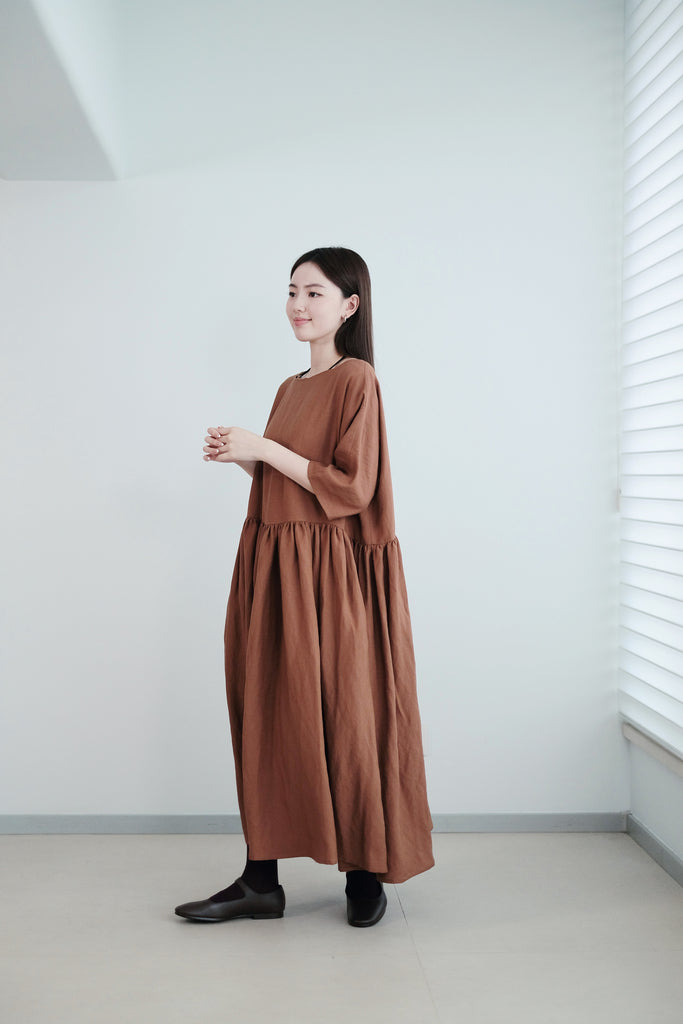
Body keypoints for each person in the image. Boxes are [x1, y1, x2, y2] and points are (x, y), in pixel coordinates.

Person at [175, 247, 433, 928]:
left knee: (344, 710)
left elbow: (350, 487)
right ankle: (260, 880)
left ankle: (363, 874)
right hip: (273, 565)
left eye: (314, 293)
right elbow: (294, 483)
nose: (297, 305)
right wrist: (246, 459)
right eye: (292, 290)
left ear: (349, 306)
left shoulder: (356, 379)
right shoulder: (289, 388)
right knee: (269, 709)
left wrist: (262, 448)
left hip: (331, 575)